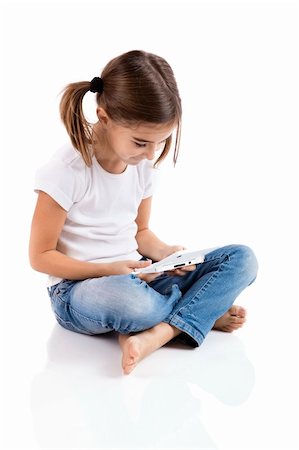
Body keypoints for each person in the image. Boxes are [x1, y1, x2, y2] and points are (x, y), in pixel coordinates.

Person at [29, 50, 258, 375]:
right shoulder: (66, 170)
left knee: (242, 258)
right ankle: (199, 313)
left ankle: (162, 330)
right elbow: (40, 256)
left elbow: (141, 233)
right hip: (80, 290)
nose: (151, 153)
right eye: (140, 142)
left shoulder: (143, 165)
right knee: (134, 303)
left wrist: (167, 254)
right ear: (104, 117)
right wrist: (111, 270)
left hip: (142, 277)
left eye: (159, 142)